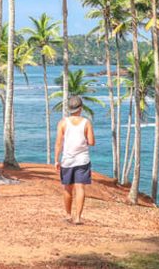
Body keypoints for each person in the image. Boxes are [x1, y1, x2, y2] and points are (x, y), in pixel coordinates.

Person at [54, 95, 95, 224]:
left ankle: (68, 215)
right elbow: (92, 142)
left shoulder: (63, 123)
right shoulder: (86, 122)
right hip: (82, 160)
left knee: (67, 188)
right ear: (81, 108)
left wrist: (56, 160)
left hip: (67, 160)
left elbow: (58, 143)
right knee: (80, 188)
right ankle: (77, 218)